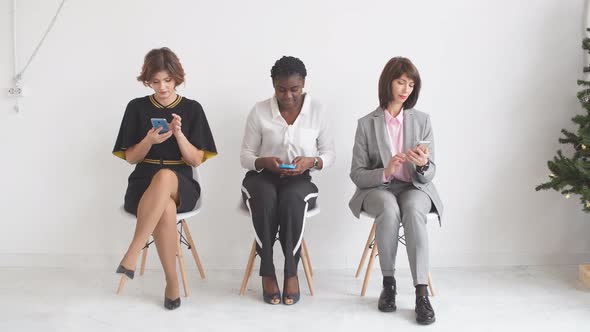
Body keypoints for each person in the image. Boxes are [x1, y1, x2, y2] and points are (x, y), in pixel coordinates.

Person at [113, 47, 217, 310]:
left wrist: (179, 135)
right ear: (147, 81)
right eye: (155, 81)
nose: (162, 87)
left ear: (176, 78)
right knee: (165, 207)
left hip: (182, 182)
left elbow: (195, 160)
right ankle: (172, 285)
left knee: (165, 175)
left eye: (167, 81)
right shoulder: (136, 108)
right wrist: (149, 140)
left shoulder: (193, 109)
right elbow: (131, 159)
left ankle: (132, 253)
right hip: (142, 183)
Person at [348, 57, 443, 324]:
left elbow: (432, 171)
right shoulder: (367, 123)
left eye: (411, 85)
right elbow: (356, 173)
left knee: (413, 210)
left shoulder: (422, 120)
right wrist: (386, 171)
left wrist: (423, 165)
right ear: (388, 82)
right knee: (389, 210)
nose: (405, 89)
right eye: (401, 82)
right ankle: (388, 284)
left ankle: (421, 293)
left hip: (414, 187)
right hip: (379, 188)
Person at [240, 56, 335, 305]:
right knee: (266, 199)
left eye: (295, 89)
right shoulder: (260, 111)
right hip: (262, 177)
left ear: (303, 83)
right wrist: (263, 162)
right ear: (273, 85)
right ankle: (268, 272)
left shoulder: (318, 111)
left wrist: (311, 162)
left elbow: (329, 154)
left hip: (299, 178)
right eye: (281, 89)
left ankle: (291, 272)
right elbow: (246, 156)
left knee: (292, 200)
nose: (288, 95)